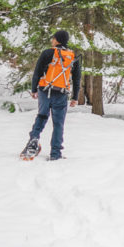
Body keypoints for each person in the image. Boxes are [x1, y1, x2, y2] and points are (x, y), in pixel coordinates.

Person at [20, 29, 81, 161]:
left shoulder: (48, 53)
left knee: (41, 117)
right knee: (58, 123)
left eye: (53, 38)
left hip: (44, 91)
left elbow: (37, 72)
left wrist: (34, 89)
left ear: (57, 40)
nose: (52, 40)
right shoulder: (72, 57)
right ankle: (55, 153)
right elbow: (77, 79)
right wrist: (75, 97)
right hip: (61, 94)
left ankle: (33, 143)